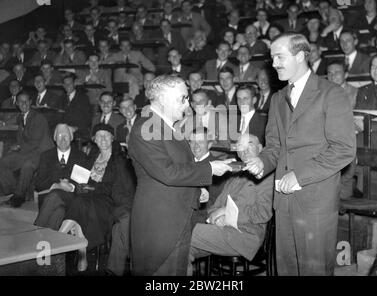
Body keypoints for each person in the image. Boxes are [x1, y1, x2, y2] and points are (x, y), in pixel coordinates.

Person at [244, 33, 356, 275]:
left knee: (313, 270)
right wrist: (261, 162)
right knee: (286, 269)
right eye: (272, 58)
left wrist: (299, 175)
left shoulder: (331, 93)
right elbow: (274, 147)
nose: (273, 64)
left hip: (315, 200)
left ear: (300, 55)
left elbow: (344, 149)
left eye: (279, 57)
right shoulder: (277, 99)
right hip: (283, 200)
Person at [128, 75, 234, 276]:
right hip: (161, 224)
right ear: (162, 99)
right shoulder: (145, 128)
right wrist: (210, 169)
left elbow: (181, 167)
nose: (187, 104)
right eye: (182, 98)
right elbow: (167, 173)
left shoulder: (167, 127)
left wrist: (196, 188)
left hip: (178, 219)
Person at [38, 123, 135, 272]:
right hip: (86, 197)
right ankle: (78, 248)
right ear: (94, 140)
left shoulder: (119, 159)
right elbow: (79, 178)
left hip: (105, 201)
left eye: (106, 135)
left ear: (112, 138)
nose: (102, 139)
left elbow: (116, 188)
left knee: (79, 203)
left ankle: (55, 242)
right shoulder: (91, 157)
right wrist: (74, 185)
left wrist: (92, 187)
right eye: (99, 136)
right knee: (74, 201)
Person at [188, 133, 274, 275]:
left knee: (185, 233)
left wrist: (226, 213)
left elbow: (263, 213)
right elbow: (214, 207)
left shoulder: (267, 175)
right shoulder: (235, 175)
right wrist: (215, 217)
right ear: (237, 152)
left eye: (250, 145)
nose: (245, 150)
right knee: (180, 250)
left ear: (260, 148)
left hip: (246, 236)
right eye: (240, 146)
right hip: (222, 231)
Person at [0, 91, 54, 207]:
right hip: (28, 150)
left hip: (42, 152)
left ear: (30, 103)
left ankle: (18, 197)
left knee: (27, 166)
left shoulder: (38, 117)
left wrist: (18, 147)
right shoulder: (21, 117)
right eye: (20, 102)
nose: (23, 104)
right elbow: (22, 138)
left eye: (26, 101)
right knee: (3, 161)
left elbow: (35, 141)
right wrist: (15, 146)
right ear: (17, 104)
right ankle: (12, 190)